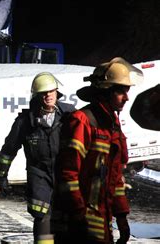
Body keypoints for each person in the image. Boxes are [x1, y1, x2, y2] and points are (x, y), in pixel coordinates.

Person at [57, 57, 143, 243]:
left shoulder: (112, 125)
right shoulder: (82, 121)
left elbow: (116, 176)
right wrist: (78, 213)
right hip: (79, 222)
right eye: (121, 91)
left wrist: (121, 216)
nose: (126, 98)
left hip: (101, 220)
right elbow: (68, 174)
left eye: (127, 91)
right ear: (105, 92)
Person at [0, 72, 75, 244]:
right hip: (39, 177)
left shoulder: (70, 115)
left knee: (67, 223)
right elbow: (9, 150)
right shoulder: (25, 121)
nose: (48, 95)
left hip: (65, 176)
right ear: (37, 95)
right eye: (43, 92)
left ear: (57, 92)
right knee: (43, 220)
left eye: (51, 91)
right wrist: (2, 176)